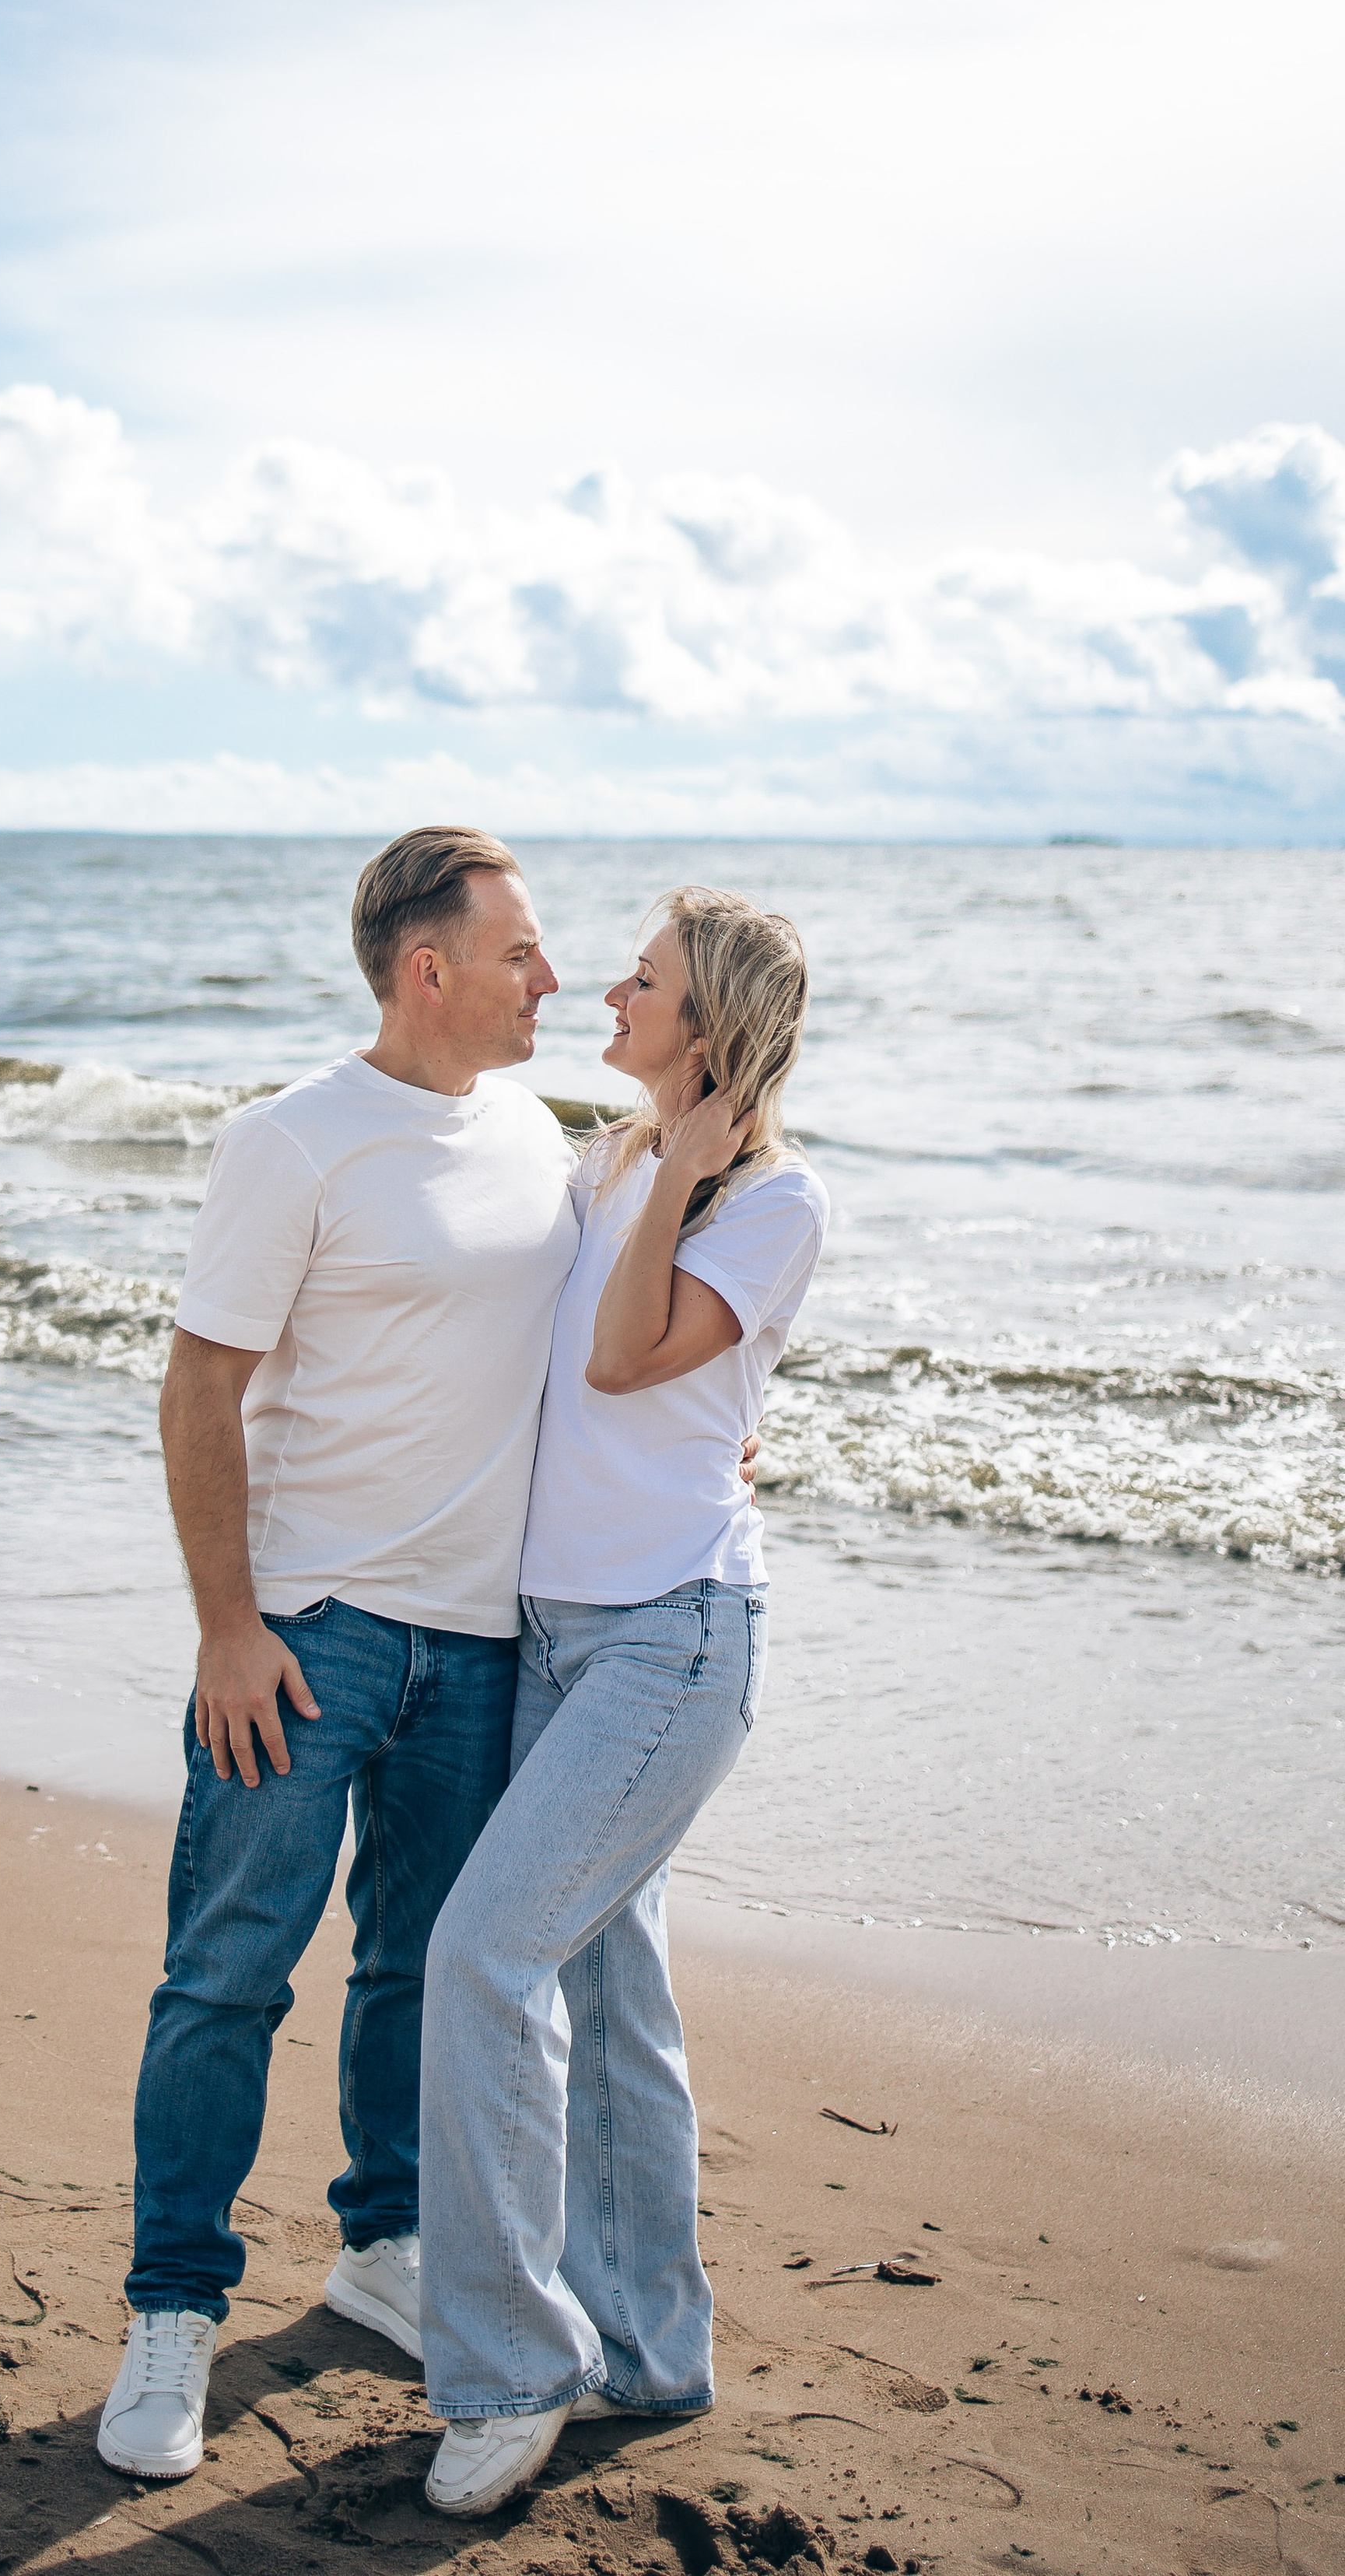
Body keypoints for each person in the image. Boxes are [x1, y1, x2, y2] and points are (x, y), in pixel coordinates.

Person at [93, 824, 581, 2480]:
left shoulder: (536, 1134)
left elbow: (583, 1344)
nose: (552, 978)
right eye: (521, 951)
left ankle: (382, 2248)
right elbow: (196, 1387)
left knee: (412, 1976)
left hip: (478, 1643)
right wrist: (227, 1628)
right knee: (227, 1973)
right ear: (425, 967)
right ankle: (172, 2313)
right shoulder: (291, 1142)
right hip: (307, 1639)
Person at [415, 884, 826, 2517]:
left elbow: (618, 1358)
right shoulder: (600, 1158)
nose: (604, 987)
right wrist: (647, 1151)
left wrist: (678, 1156)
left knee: (482, 1953)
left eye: (639, 981)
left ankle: (512, 2366)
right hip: (551, 1635)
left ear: (704, 1028)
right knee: (609, 2003)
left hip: (669, 1641)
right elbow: (532, 1363)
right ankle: (651, 2349)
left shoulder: (774, 1204)